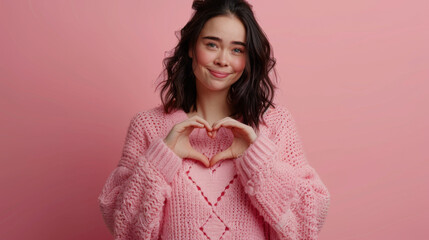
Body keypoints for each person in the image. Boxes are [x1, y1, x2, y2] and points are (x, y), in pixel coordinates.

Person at [98, 0, 330, 239]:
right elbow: (123, 226)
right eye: (212, 45)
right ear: (191, 47)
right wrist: (161, 160)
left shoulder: (275, 124)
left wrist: (259, 161)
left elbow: (308, 219)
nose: (223, 59)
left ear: (248, 58)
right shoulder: (147, 126)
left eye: (237, 50)